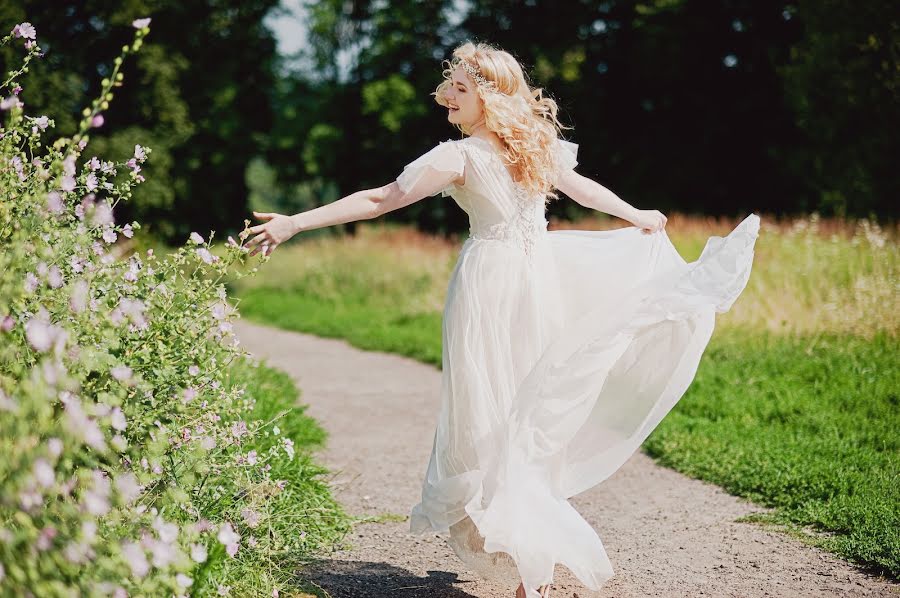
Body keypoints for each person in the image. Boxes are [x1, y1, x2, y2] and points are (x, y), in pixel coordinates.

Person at [240, 41, 759, 598]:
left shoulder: (504, 151)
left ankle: (525, 548)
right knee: (510, 408)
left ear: (490, 94)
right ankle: (527, 554)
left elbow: (571, 189)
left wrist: (635, 215)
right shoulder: (482, 153)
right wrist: (295, 222)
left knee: (512, 410)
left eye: (460, 89)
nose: (446, 100)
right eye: (448, 89)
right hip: (524, 279)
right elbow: (382, 198)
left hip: (505, 282)